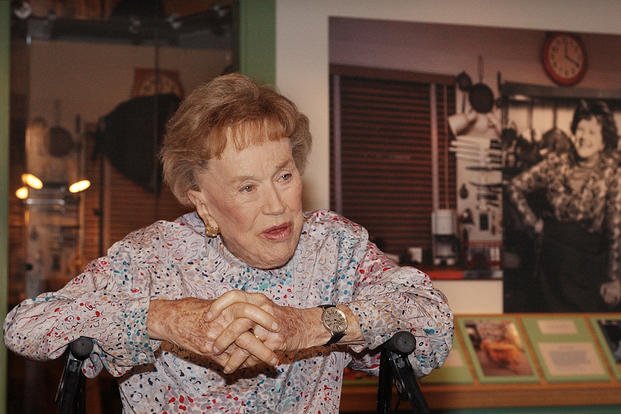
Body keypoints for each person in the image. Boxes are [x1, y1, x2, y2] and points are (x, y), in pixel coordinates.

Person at [4, 73, 453, 413]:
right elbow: (26, 327)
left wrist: (314, 324)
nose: (277, 205)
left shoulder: (333, 246)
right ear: (202, 203)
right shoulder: (153, 258)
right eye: (246, 188)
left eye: (284, 175)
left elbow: (432, 323)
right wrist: (164, 318)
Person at [508, 99, 621, 312]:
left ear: (604, 140)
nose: (584, 137)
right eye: (581, 129)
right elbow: (514, 187)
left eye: (592, 132)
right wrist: (534, 225)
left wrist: (615, 279)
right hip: (549, 264)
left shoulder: (613, 173)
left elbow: (616, 229)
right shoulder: (556, 163)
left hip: (588, 269)